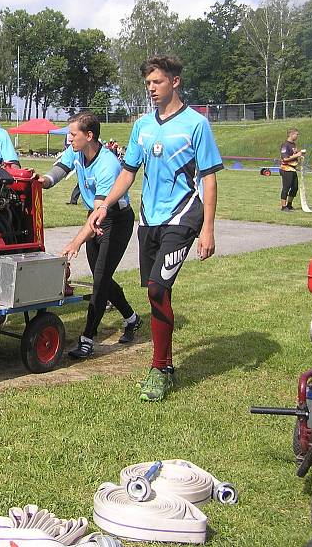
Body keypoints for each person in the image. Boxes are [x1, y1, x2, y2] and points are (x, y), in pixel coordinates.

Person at [87, 55, 223, 402]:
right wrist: (104, 204)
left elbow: (208, 178)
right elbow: (128, 172)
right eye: (148, 83)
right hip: (149, 219)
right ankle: (168, 361)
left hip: (183, 216)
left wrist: (208, 228)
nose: (151, 88)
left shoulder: (196, 124)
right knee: (156, 289)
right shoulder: (142, 126)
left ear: (175, 82)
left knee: (157, 291)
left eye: (157, 82)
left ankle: (159, 368)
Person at [41, 112, 142, 359]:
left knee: (100, 280)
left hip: (114, 219)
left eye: (73, 134)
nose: (69, 138)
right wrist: (39, 180)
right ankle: (132, 318)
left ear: (89, 136)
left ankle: (87, 338)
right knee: (103, 278)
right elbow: (58, 171)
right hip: (95, 216)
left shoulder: (108, 164)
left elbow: (100, 212)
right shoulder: (76, 152)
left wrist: (76, 242)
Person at [279, 128, 302, 211]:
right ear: (291, 135)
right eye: (296, 134)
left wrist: (299, 155)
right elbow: (285, 158)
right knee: (286, 188)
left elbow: (294, 155)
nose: (297, 136)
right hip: (286, 169)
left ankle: (289, 204)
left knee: (295, 187)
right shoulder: (285, 145)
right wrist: (297, 155)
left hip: (293, 169)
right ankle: (283, 206)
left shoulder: (294, 145)